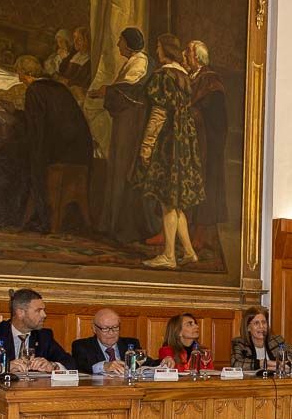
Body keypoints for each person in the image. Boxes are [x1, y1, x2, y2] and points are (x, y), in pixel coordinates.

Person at [0, 55, 92, 231]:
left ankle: (0, 215)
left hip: (57, 152)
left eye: (19, 73)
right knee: (10, 157)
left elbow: (36, 130)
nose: (19, 78)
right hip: (79, 151)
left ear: (24, 73)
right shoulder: (59, 88)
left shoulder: (35, 90)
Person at [134, 34, 204, 269]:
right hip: (184, 141)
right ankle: (189, 252)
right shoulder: (184, 75)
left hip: (168, 143)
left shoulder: (163, 76)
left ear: (165, 49)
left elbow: (158, 114)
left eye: (158, 47)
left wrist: (146, 145)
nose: (156, 51)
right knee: (177, 203)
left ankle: (169, 256)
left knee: (167, 202)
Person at [89, 27, 152, 241]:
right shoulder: (133, 61)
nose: (118, 45)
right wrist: (105, 92)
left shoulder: (140, 62)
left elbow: (129, 91)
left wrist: (104, 91)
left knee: (123, 167)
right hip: (125, 121)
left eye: (120, 41)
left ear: (129, 43)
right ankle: (112, 223)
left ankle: (122, 227)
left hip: (131, 124)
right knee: (116, 165)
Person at [0, 289, 74, 375]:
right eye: (38, 311)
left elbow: (71, 363)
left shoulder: (44, 336)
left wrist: (53, 366)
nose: (44, 315)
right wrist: (3, 367)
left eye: (44, 310)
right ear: (20, 313)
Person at [186, 39, 227, 253]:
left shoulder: (210, 80)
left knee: (206, 185)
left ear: (197, 57)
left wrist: (194, 115)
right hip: (193, 140)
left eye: (188, 53)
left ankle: (201, 232)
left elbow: (215, 117)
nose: (185, 56)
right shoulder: (193, 77)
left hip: (207, 144)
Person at [230, 305, 292, 372]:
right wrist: (267, 363)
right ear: (248, 328)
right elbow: (236, 363)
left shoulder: (277, 341)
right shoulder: (240, 343)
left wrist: (288, 365)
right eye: (256, 323)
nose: (262, 327)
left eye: (264, 322)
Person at [70, 308, 147, 377]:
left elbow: (147, 363)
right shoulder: (82, 346)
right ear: (94, 329)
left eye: (115, 327)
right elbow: (80, 367)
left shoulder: (131, 343)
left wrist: (159, 363)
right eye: (105, 328)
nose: (111, 333)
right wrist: (104, 366)